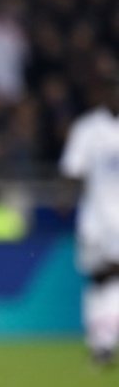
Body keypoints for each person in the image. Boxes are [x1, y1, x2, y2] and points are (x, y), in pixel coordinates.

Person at [59, 66, 119, 367]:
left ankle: (104, 342)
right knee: (99, 279)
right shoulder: (88, 129)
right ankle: (101, 342)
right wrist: (66, 199)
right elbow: (72, 170)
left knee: (109, 278)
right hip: (96, 221)